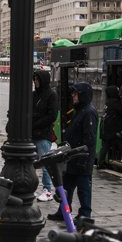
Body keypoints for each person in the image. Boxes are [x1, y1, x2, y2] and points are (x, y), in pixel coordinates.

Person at [48, 82, 97, 222]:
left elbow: (89, 139)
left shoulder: (88, 112)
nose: (73, 96)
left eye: (75, 94)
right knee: (66, 187)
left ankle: (84, 215)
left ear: (82, 95)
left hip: (81, 159)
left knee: (83, 189)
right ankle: (63, 211)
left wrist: (83, 158)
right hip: (72, 158)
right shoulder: (79, 110)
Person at [32, 69, 58, 202]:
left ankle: (47, 190)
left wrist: (35, 123)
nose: (35, 82)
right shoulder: (33, 95)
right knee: (31, 163)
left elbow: (52, 115)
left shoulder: (51, 95)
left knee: (46, 163)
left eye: (37, 79)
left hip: (43, 135)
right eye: (34, 79)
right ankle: (32, 188)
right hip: (32, 134)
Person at [98, 85, 122, 167]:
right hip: (112, 129)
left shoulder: (108, 102)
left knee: (105, 146)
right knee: (121, 142)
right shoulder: (115, 102)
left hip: (105, 128)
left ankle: (101, 162)